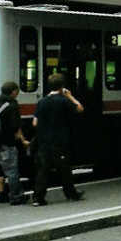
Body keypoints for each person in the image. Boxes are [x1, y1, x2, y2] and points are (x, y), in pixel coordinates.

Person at [32, 73, 85, 206]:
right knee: (65, 169)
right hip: (60, 141)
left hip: (44, 141)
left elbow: (34, 123)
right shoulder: (63, 101)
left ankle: (38, 198)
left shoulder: (42, 102)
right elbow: (80, 108)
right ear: (62, 87)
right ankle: (71, 193)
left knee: (43, 170)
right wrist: (70, 96)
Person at [0, 81, 30, 209]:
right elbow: (15, 126)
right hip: (6, 144)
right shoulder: (12, 105)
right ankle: (16, 196)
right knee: (12, 171)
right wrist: (22, 139)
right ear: (13, 91)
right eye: (17, 91)